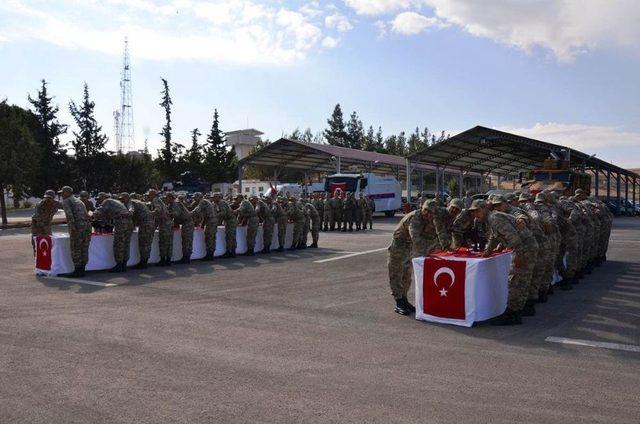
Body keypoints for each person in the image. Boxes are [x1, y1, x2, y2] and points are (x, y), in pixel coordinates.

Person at [470, 198, 535, 325]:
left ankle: (512, 314)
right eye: (473, 212)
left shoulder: (495, 219)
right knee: (521, 280)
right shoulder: (492, 218)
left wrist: (519, 255)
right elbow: (494, 237)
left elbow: (514, 237)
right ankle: (517, 312)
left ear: (484, 209)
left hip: (524, 248)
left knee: (515, 281)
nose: (475, 215)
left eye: (477, 211)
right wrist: (488, 251)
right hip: (527, 246)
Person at [387, 199, 450, 315]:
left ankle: (404, 299)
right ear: (422, 208)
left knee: (406, 274)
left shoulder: (433, 218)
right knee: (396, 272)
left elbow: (437, 234)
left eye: (431, 212)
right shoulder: (415, 218)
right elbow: (416, 240)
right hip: (400, 244)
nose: (428, 214)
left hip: (409, 245)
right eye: (426, 210)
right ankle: (398, 302)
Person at [92, 195, 134, 273]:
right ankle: (124, 265)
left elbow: (99, 211)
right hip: (129, 222)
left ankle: (119, 265)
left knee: (119, 243)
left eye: (99, 199)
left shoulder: (107, 201)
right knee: (126, 244)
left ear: (103, 198)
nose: (98, 201)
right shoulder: (117, 202)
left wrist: (91, 215)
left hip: (121, 223)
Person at [58, 186, 91, 278]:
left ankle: (77, 270)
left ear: (68, 193)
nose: (61, 195)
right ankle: (82, 269)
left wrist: (72, 229)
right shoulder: (79, 201)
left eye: (63, 193)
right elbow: (86, 214)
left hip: (77, 227)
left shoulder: (67, 201)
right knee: (84, 247)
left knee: (76, 248)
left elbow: (69, 216)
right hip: (87, 226)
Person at [120, 192, 154, 269]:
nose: (122, 201)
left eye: (123, 199)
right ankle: (144, 261)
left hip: (145, 223)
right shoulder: (137, 202)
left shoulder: (131, 203)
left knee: (143, 243)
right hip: (149, 222)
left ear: (127, 198)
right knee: (147, 243)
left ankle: (143, 263)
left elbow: (131, 211)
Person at [165, 192, 194, 264]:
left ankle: (186, 258)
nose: (166, 199)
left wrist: (168, 214)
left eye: (167, 197)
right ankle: (185, 258)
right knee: (185, 241)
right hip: (185, 223)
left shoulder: (175, 203)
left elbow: (176, 214)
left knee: (187, 241)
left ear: (171, 198)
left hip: (187, 223)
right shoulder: (172, 204)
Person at [147, 189, 173, 266]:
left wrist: (151, 213)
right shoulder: (158, 200)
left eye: (149, 195)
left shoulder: (155, 200)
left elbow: (158, 209)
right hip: (168, 223)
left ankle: (163, 260)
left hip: (164, 223)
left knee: (163, 242)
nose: (148, 197)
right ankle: (168, 260)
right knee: (168, 242)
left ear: (153, 195)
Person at [190, 192, 218, 261]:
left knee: (209, 238)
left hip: (210, 221)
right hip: (211, 221)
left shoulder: (203, 202)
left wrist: (189, 214)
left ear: (199, 197)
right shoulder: (205, 201)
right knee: (211, 238)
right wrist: (202, 224)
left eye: (195, 198)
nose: (194, 199)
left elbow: (197, 210)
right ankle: (210, 254)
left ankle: (210, 255)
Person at [213, 192, 237, 258]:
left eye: (215, 197)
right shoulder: (217, 203)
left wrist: (215, 216)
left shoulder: (221, 203)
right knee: (232, 236)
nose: (213, 199)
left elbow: (223, 213)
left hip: (230, 220)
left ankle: (229, 252)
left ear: (218, 197)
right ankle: (232, 252)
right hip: (229, 220)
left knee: (230, 236)